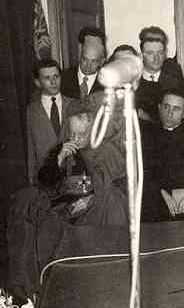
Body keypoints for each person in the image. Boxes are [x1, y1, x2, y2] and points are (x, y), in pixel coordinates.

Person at [7, 96, 128, 297]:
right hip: (61, 206)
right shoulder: (62, 148)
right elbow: (44, 182)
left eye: (82, 134)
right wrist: (59, 159)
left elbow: (99, 185)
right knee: (25, 200)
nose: (77, 139)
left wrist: (72, 195)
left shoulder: (107, 151)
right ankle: (26, 289)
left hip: (92, 209)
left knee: (106, 200)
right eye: (72, 134)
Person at [141, 91, 184, 222]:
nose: (170, 113)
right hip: (157, 203)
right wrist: (163, 194)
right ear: (159, 107)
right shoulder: (148, 136)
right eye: (166, 107)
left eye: (176, 109)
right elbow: (146, 171)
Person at [26, 59, 74, 184]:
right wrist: (32, 179)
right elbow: (31, 149)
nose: (53, 82)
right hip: (44, 178)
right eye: (47, 78)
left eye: (56, 76)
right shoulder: (31, 111)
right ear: (38, 82)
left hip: (72, 177)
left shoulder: (73, 105)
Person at [61, 30, 106, 99]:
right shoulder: (63, 78)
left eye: (93, 61)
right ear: (80, 51)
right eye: (85, 59)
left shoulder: (108, 83)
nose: (88, 66)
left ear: (102, 61)